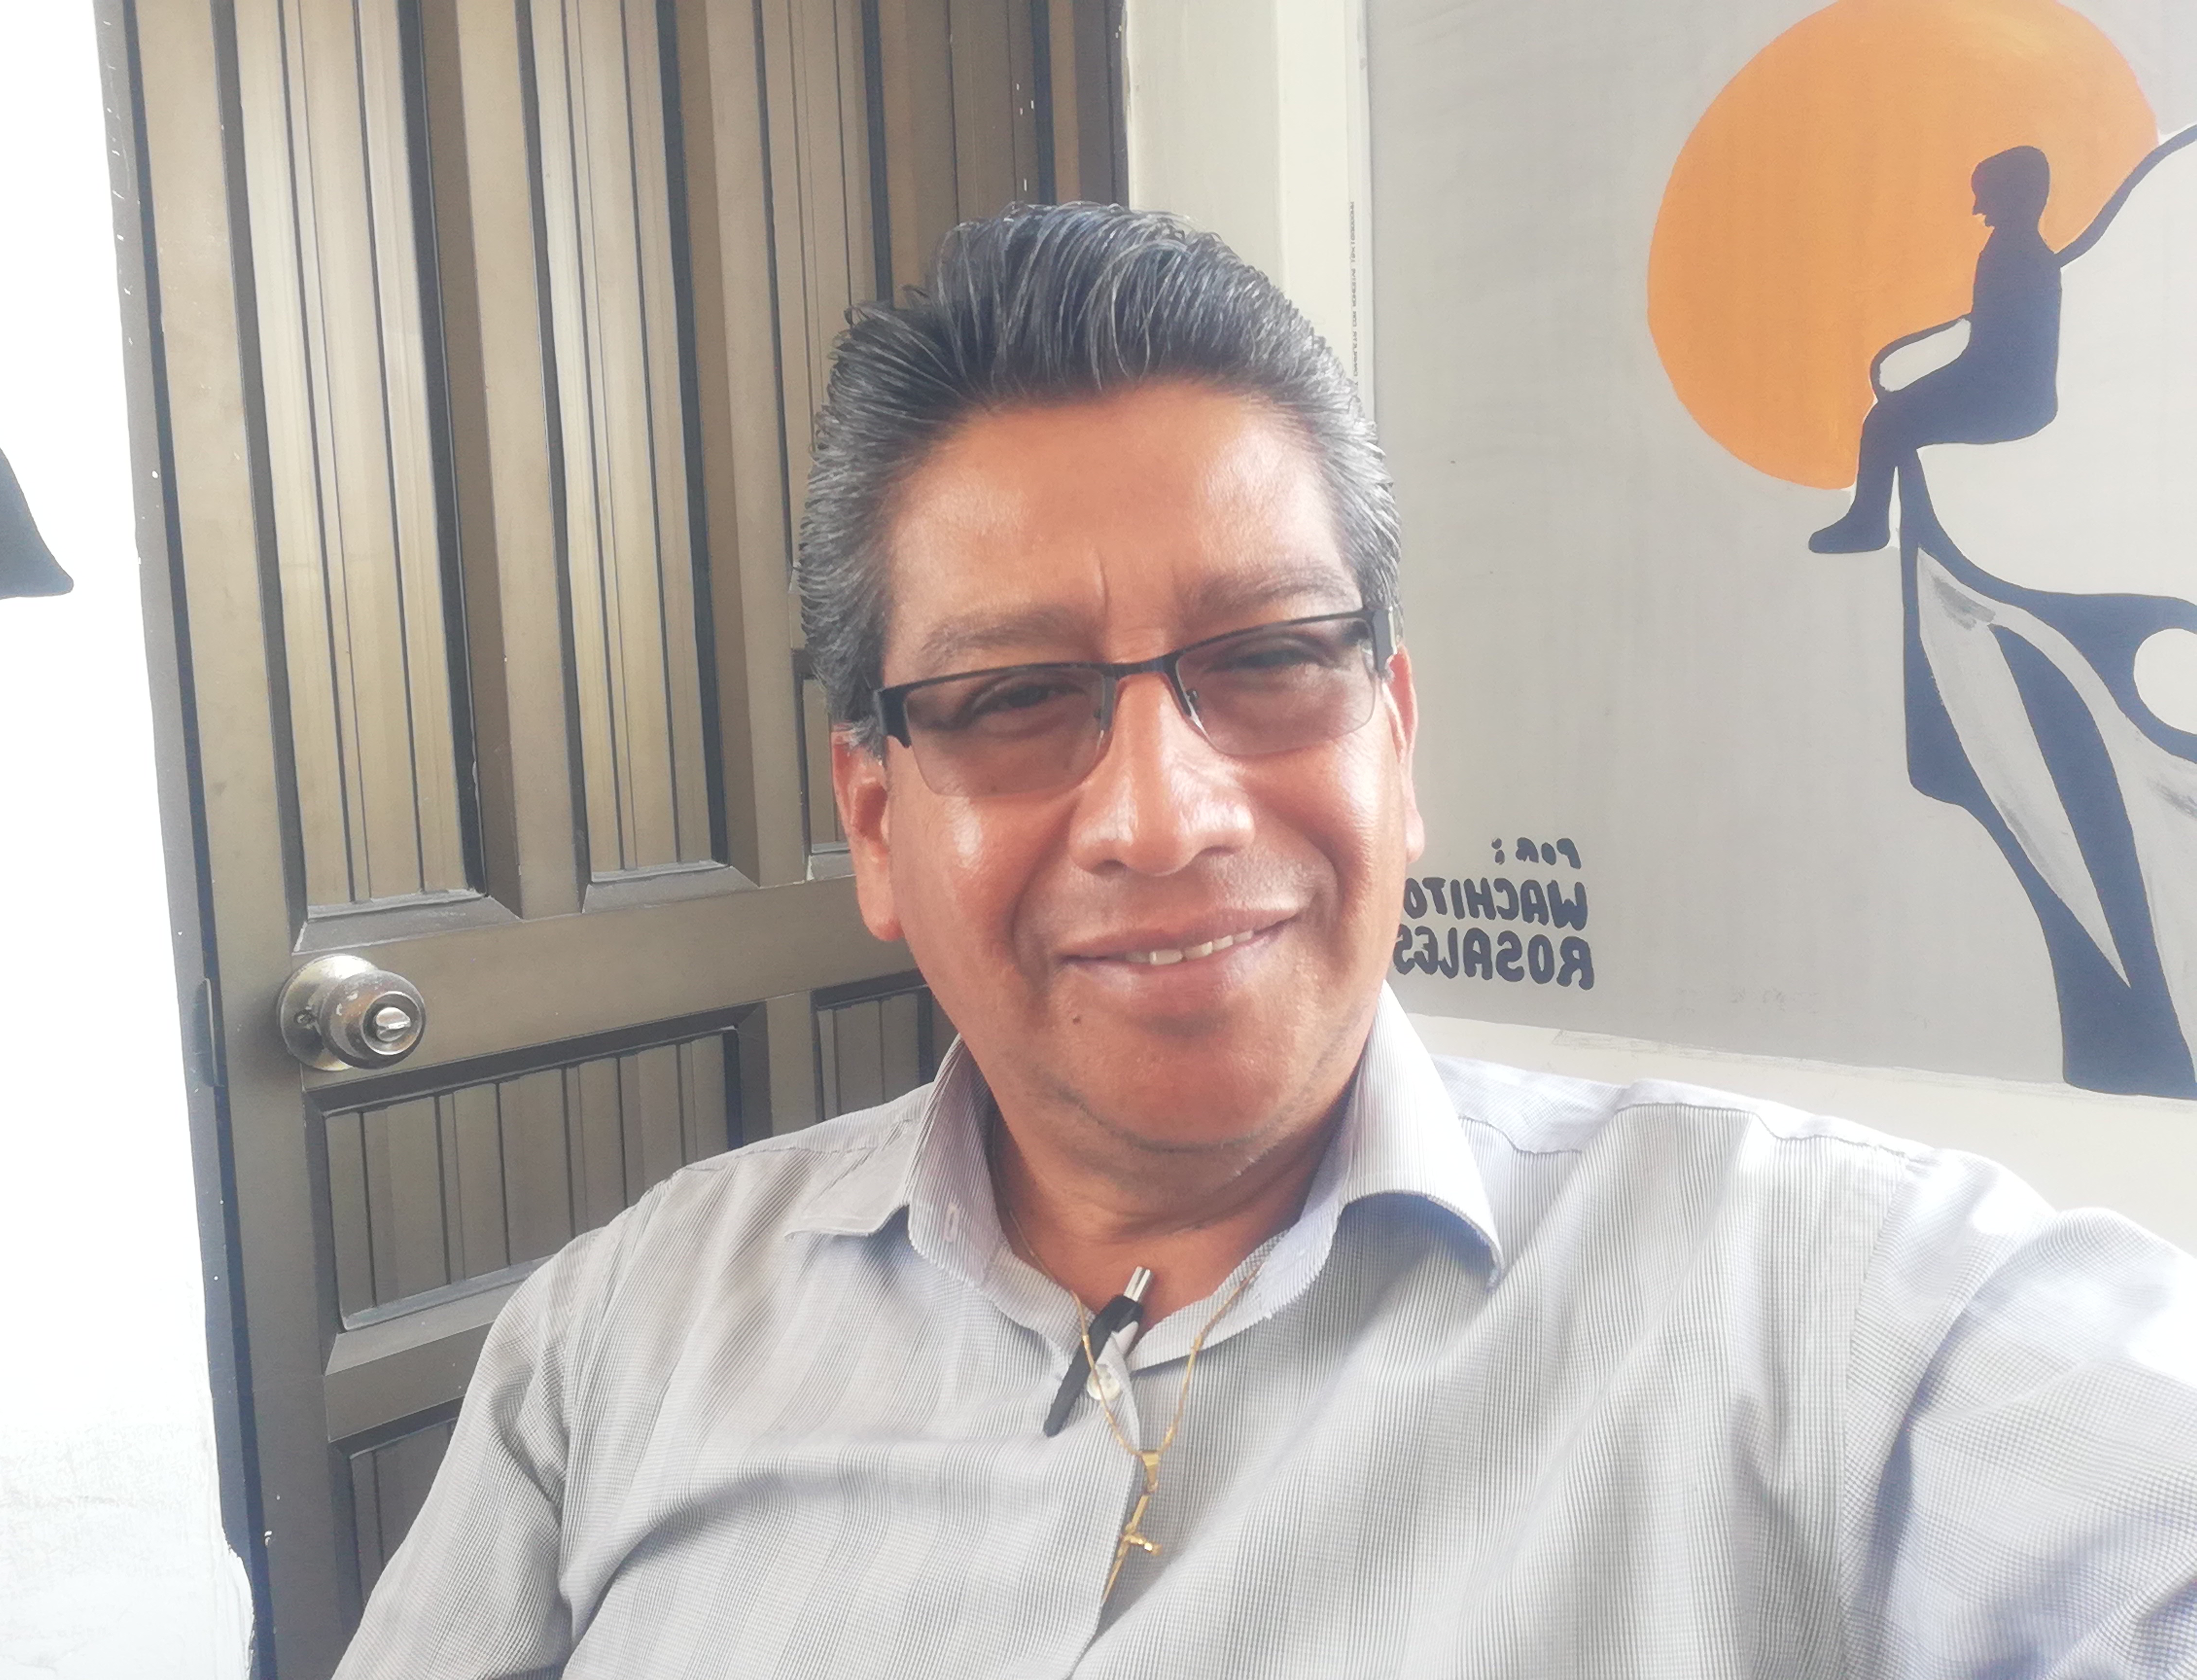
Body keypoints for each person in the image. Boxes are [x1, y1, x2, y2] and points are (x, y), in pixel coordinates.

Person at [336, 202, 2197, 1678]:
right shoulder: (619, 1338)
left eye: (1269, 657)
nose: (1164, 816)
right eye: (1012, 696)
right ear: (878, 821)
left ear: (1392, 737)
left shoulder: (1827, 1314)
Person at [1811, 146, 2062, 554]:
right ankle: (1869, 522)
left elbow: (1997, 352)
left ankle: (1869, 526)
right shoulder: (2017, 251)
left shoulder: (2015, 256)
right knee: (1894, 413)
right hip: (2003, 387)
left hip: (2012, 401)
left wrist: (1930, 386)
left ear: (2014, 196)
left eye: (1986, 196)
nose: (1978, 209)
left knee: (1885, 422)